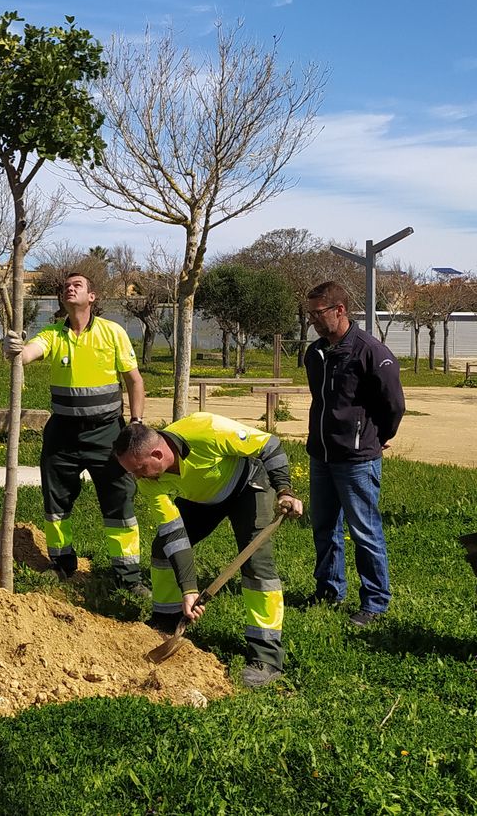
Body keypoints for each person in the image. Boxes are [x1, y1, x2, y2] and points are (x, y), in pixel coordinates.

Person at [113, 413, 302, 688]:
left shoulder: (206, 430)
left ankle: (266, 656)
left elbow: (269, 445)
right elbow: (174, 535)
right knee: (163, 549)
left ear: (157, 453)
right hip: (203, 498)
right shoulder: (148, 481)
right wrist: (189, 589)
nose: (136, 476)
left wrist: (285, 490)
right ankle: (165, 622)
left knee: (257, 565)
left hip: (247, 485)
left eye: (139, 468)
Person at [6, 272, 148, 596]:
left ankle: (128, 577)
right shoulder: (54, 335)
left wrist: (137, 423)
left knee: (119, 502)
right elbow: (27, 354)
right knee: (56, 503)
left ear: (92, 297)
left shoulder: (113, 333)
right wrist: (14, 349)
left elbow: (134, 380)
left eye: (78, 285)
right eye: (66, 286)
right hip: (63, 436)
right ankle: (61, 564)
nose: (70, 288)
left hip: (107, 434)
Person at [302, 280, 405, 627]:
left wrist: (380, 436)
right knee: (325, 528)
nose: (313, 321)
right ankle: (330, 591)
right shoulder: (314, 353)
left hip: (356, 460)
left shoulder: (370, 350)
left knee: (365, 531)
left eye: (319, 314)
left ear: (340, 310)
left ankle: (375, 603)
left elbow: (394, 403)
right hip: (321, 455)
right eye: (310, 314)